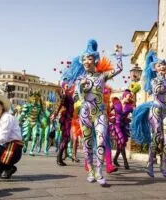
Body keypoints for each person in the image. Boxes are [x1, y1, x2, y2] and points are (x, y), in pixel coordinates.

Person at [62, 39, 123, 185]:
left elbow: (119, 69)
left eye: (89, 58)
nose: (86, 61)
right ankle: (90, 170)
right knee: (88, 143)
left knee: (101, 141)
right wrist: (81, 88)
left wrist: (119, 54)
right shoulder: (80, 79)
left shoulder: (102, 76)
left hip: (100, 113)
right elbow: (77, 97)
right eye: (84, 59)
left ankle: (99, 171)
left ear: (95, 60)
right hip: (85, 113)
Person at [131, 50, 166, 178]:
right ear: (155, 69)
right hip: (155, 110)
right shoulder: (154, 80)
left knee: (162, 141)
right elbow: (158, 90)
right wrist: (162, 79)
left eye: (163, 65)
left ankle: (161, 165)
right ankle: (150, 164)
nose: (162, 67)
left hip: (163, 111)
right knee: (159, 138)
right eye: (159, 66)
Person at [109, 89, 134, 169]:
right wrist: (110, 118)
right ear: (124, 96)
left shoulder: (130, 107)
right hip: (116, 125)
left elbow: (136, 114)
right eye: (129, 96)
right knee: (122, 141)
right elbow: (107, 111)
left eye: (131, 96)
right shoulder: (116, 103)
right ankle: (125, 162)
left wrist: (130, 119)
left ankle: (115, 159)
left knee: (121, 144)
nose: (130, 97)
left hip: (124, 126)